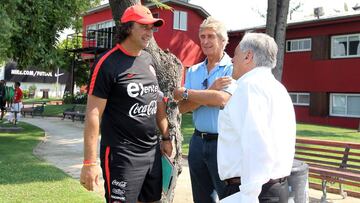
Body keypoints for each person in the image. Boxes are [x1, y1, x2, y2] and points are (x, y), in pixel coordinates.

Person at [79, 4, 172, 203]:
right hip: (122, 156)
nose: (150, 32)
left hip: (152, 152)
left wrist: (166, 137)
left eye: (152, 28)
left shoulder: (148, 59)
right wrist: (89, 162)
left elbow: (157, 100)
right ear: (128, 27)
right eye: (144, 27)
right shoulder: (106, 63)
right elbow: (93, 114)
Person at [217, 33, 296, 203]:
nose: (232, 60)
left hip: (252, 192)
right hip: (274, 188)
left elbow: (256, 145)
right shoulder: (277, 87)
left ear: (248, 56)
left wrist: (248, 197)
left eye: (236, 55)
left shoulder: (248, 88)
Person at [173, 16, 236, 202]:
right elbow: (183, 108)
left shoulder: (232, 69)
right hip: (197, 142)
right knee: (201, 199)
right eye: (202, 37)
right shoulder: (193, 70)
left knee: (228, 198)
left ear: (223, 41)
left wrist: (188, 93)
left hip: (223, 144)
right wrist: (209, 91)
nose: (205, 41)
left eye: (211, 36)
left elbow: (221, 100)